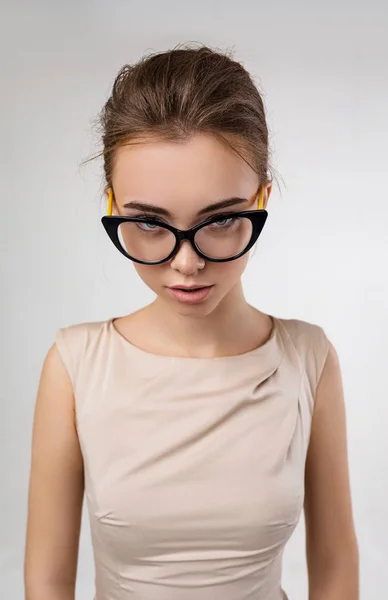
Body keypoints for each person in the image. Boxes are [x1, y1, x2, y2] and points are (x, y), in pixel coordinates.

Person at [24, 45, 359, 600]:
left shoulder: (309, 359)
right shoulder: (75, 365)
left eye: (223, 219)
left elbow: (335, 566)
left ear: (263, 199)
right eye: (150, 224)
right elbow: (48, 583)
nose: (187, 262)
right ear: (112, 207)